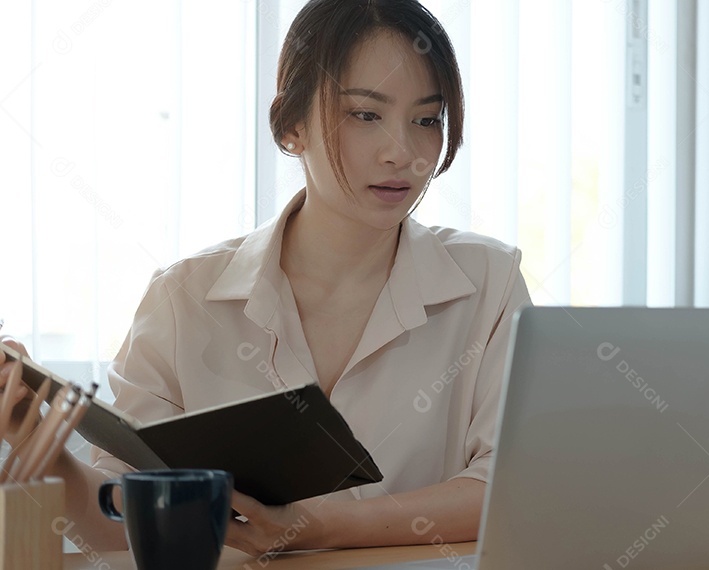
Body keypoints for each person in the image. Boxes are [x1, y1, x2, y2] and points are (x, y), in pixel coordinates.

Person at [0, 0, 530, 556]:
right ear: (291, 123)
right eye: (365, 114)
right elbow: (120, 515)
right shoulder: (183, 298)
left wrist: (323, 527)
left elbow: (513, 486)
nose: (403, 152)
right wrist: (47, 446)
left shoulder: (488, 282)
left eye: (427, 119)